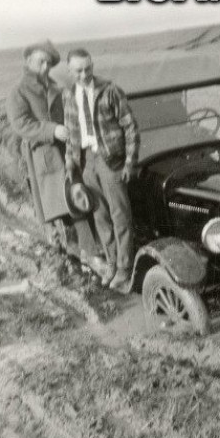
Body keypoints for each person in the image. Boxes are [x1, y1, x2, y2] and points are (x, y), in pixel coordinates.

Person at [6, 40, 105, 273]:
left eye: (49, 63)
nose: (45, 67)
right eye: (41, 62)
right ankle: (88, 254)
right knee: (70, 203)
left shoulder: (56, 86)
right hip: (44, 155)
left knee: (76, 199)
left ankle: (83, 249)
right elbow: (21, 124)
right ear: (28, 61)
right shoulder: (18, 91)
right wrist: (52, 130)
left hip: (66, 151)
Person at [63, 49, 140, 292]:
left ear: (92, 65)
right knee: (100, 215)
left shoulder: (110, 91)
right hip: (86, 161)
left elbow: (130, 128)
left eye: (88, 68)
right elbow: (70, 132)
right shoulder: (69, 95)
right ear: (70, 71)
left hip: (111, 161)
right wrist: (70, 163)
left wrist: (129, 162)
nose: (84, 74)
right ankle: (111, 263)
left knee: (120, 215)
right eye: (78, 70)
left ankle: (125, 268)